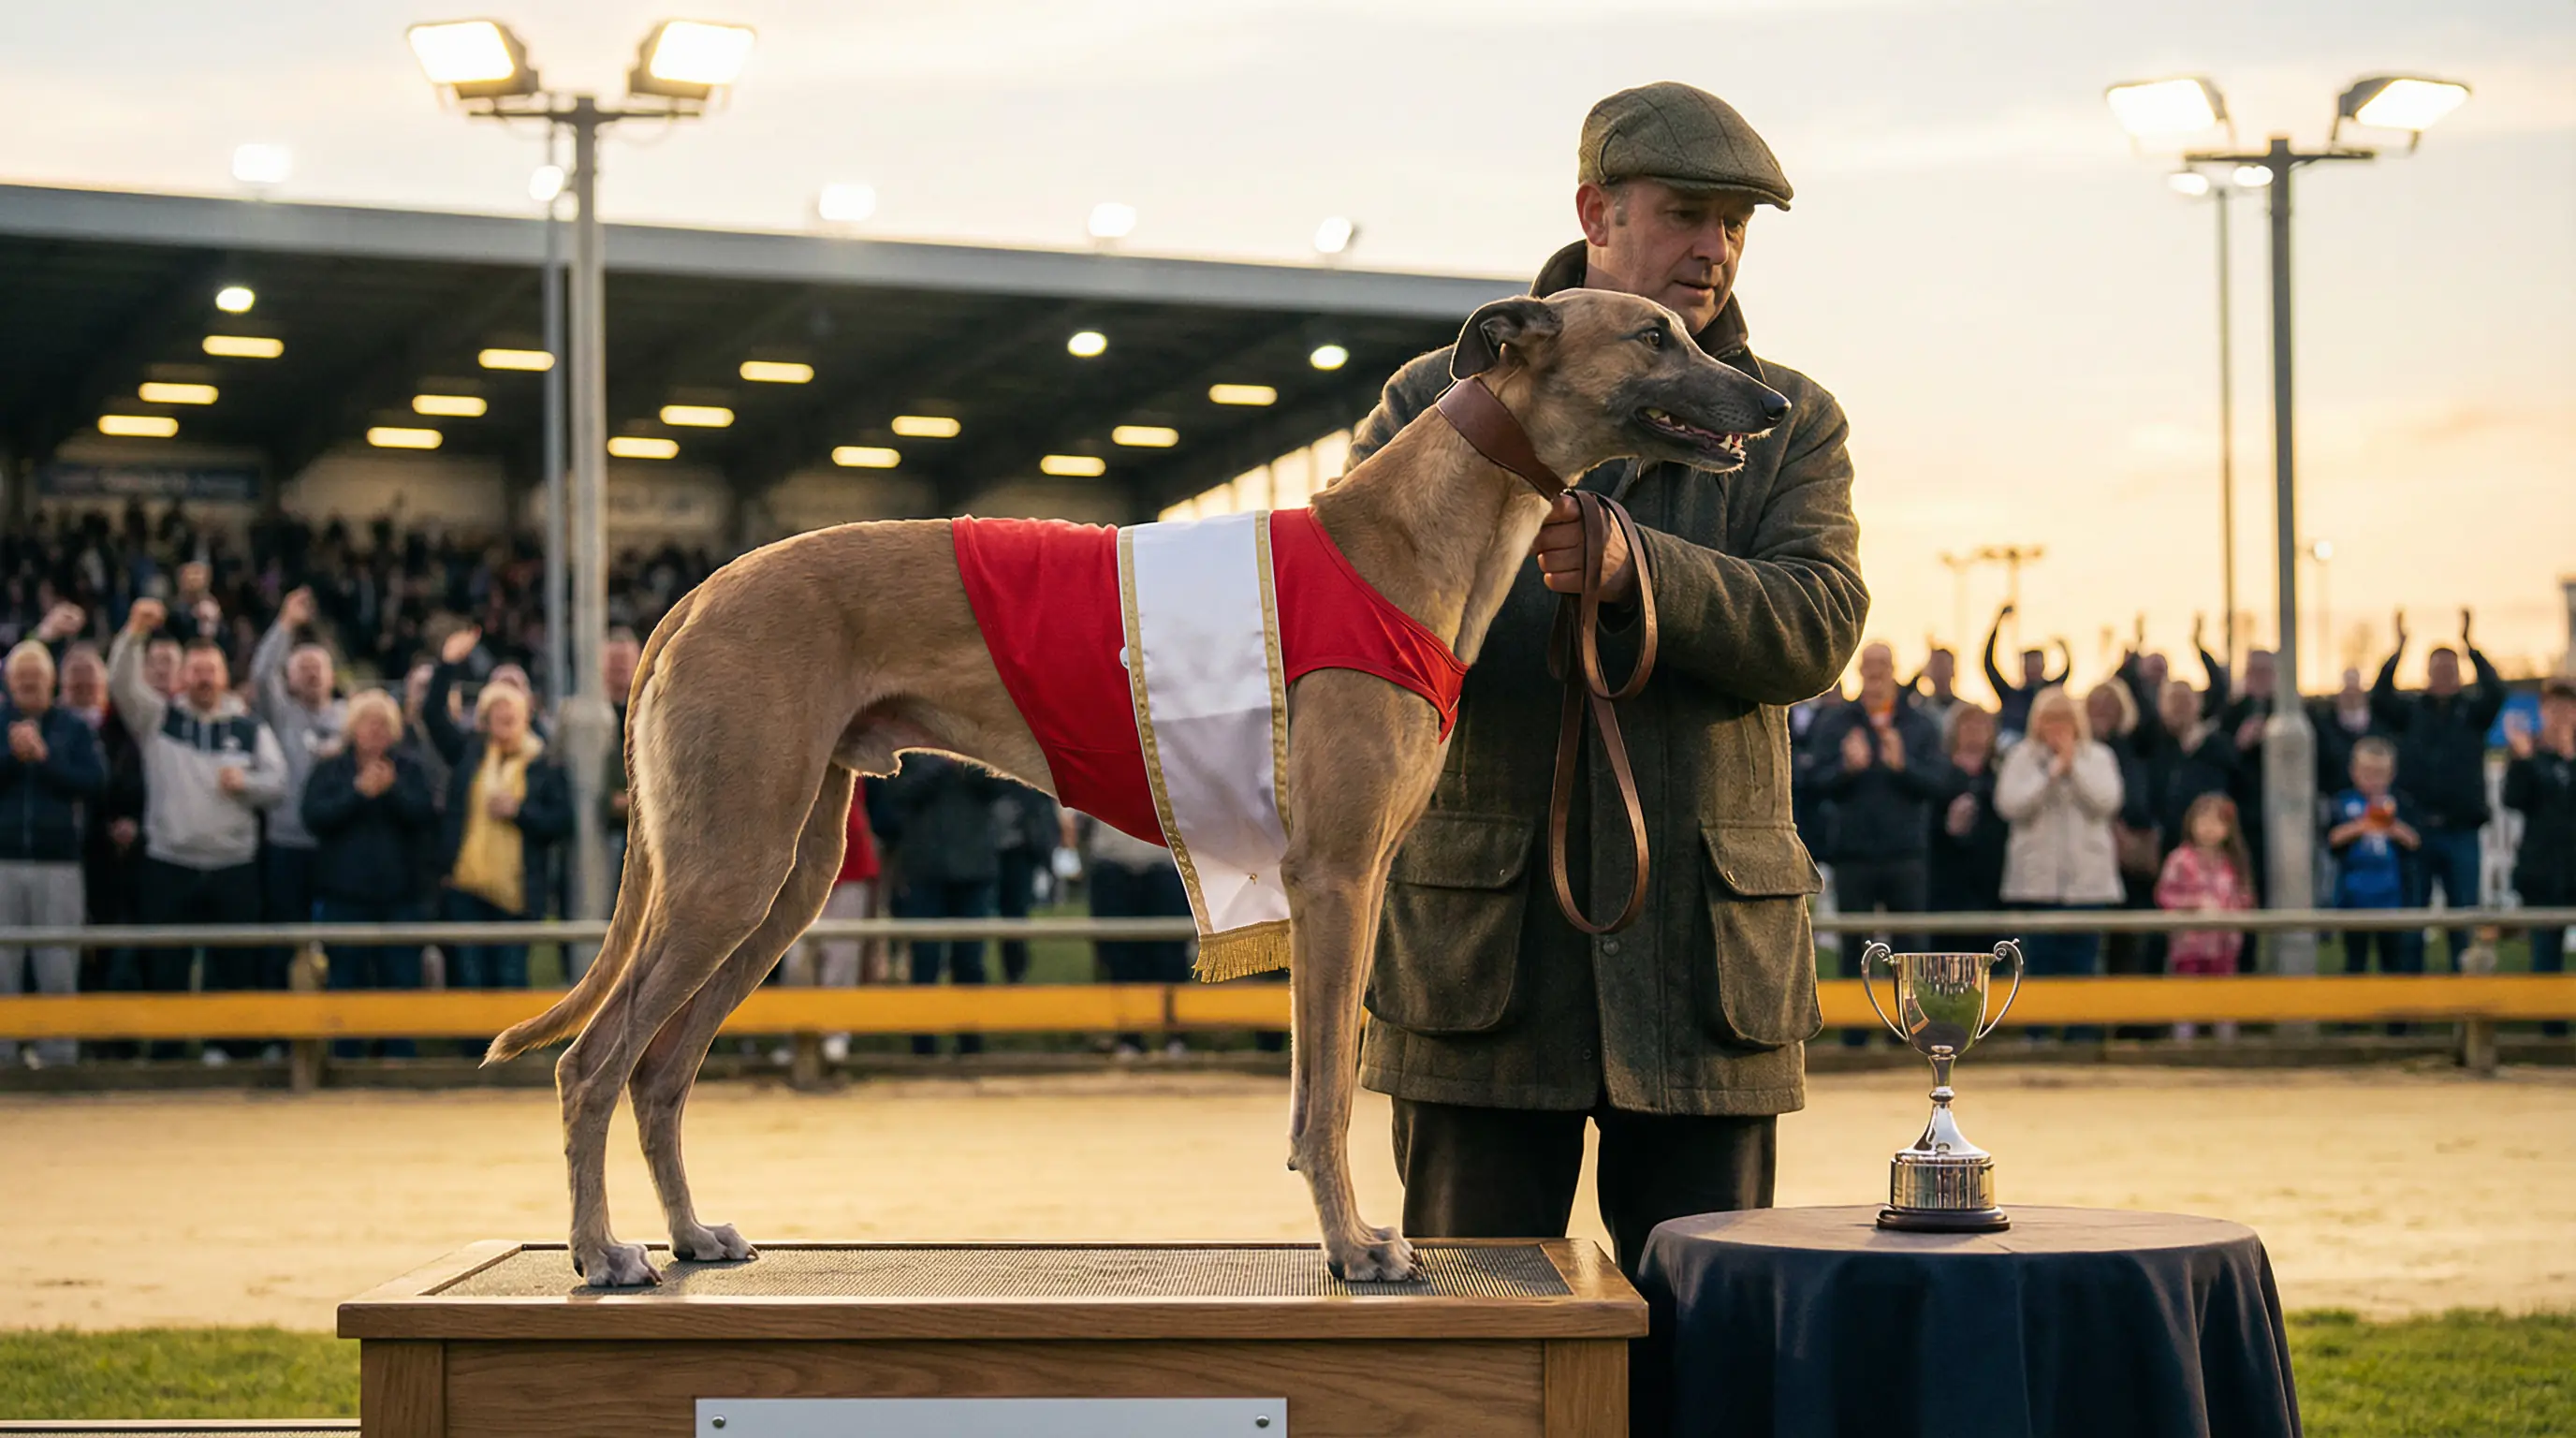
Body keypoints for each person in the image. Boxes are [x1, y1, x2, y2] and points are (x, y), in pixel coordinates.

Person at [1342, 81, 1866, 1276]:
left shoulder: (1790, 422)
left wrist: (1645, 569)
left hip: (1703, 973)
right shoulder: (1436, 401)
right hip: (1481, 966)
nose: (1713, 249)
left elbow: (1817, 627)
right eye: (1688, 212)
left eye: (1736, 225)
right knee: (1476, 1345)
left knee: (1713, 1346)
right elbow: (1343, 627)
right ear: (1595, 209)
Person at [109, 599, 286, 1062]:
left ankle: (232, 1049)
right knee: (166, 966)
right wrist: (133, 633)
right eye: (198, 670)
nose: (205, 677)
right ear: (185, 676)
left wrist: (246, 783)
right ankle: (168, 1052)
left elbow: (279, 783)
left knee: (236, 965)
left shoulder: (249, 727)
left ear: (225, 674)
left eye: (212, 669)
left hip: (234, 866)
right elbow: (120, 684)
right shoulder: (160, 719)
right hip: (170, 862)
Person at [425, 626, 572, 1019]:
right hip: (466, 888)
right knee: (470, 977)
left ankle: (509, 1059)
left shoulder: (543, 764)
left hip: (517, 893)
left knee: (510, 978)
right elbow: (432, 716)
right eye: (496, 713)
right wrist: (449, 664)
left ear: (526, 716)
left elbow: (561, 820)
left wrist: (519, 813)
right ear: (485, 719)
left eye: (512, 712)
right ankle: (473, 1059)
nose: (505, 718)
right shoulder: (469, 754)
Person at [1806, 641, 1945, 1005]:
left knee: (1910, 948)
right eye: (1869, 665)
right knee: (1856, 946)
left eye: (1883, 664)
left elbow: (1938, 784)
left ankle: (1908, 1030)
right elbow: (1814, 782)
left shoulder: (1919, 724)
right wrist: (1846, 769)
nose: (1876, 672)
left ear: (1894, 669)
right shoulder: (1837, 723)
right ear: (1859, 671)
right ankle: (1856, 1036)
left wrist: (1903, 767)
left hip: (1906, 854)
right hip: (1854, 854)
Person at [303, 690, 438, 1058]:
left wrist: (392, 790)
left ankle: (400, 1056)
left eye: (384, 723)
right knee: (345, 979)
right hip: (344, 897)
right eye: (368, 722)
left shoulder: (409, 769)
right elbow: (314, 817)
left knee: (401, 980)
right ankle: (344, 1055)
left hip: (400, 897)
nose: (376, 730)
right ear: (352, 728)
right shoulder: (331, 769)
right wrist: (358, 793)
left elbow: (425, 814)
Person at [2370, 609, 2505, 969]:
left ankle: (2464, 1006)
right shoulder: (2411, 713)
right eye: (2438, 670)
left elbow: (2497, 691)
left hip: (2462, 831)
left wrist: (2471, 647)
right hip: (2418, 832)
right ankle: (2411, 1010)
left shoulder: (2472, 714)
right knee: (2413, 922)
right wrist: (2399, 650)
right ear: (2427, 674)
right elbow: (2380, 697)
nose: (2444, 676)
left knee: (2464, 922)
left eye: (2450, 669)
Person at [1995, 685, 2124, 1036]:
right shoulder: (2021, 757)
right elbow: (2011, 805)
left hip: (2088, 888)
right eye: (2049, 719)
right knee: (2037, 968)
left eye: (2064, 719)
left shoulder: (2099, 757)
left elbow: (2106, 802)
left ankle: (2082, 1040)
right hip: (2035, 886)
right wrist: (2050, 773)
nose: (2057, 726)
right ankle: (2035, 1038)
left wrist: (2073, 769)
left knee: (2082, 968)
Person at [0, 641, 106, 1067]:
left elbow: (95, 782)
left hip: (59, 863)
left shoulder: (74, 728)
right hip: (2, 861)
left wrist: (44, 759)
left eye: (36, 676)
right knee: (1, 965)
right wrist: (12, 757)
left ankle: (59, 1056)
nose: (28, 682)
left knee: (58, 962)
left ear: (51, 681)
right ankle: (3, 1055)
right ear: (9, 682)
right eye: (21, 676)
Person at [875, 754, 1009, 1057]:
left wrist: (969, 764)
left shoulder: (977, 746)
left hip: (974, 869)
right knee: (925, 960)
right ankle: (923, 1045)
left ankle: (970, 1041)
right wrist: (942, 768)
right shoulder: (911, 752)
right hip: (925, 869)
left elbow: (998, 788)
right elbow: (897, 794)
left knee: (970, 961)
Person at [250, 586, 347, 993]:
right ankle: (280, 1026)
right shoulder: (280, 715)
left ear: (331, 675)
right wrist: (285, 625)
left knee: (338, 942)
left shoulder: (349, 718)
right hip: (286, 844)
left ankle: (336, 1024)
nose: (309, 672)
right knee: (283, 937)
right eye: (301, 665)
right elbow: (259, 675)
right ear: (289, 676)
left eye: (317, 666)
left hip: (335, 844)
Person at [1075, 809, 1193, 1057]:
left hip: (1165, 859)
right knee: (1119, 955)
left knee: (1170, 953)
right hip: (1111, 858)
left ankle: (1175, 1035)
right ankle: (1129, 1035)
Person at [2502, 679, 2575, 1036]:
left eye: (2568, 708)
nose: (2561, 715)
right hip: (2544, 870)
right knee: (2545, 953)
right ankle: (2552, 1030)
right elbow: (2514, 800)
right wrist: (2527, 761)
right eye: (2554, 708)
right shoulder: (2527, 754)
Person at [2155, 793, 2255, 1041]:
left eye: (2217, 822)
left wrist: (2229, 912)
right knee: (2187, 994)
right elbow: (2165, 895)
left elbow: (2245, 897)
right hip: (2189, 942)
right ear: (2191, 823)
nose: (2209, 829)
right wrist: (2194, 906)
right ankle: (2184, 1042)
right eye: (2204, 821)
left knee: (2224, 994)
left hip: (2225, 943)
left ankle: (2225, 1042)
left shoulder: (2233, 862)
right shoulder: (2179, 860)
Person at [793, 784, 882, 1064]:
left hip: (851, 864)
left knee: (842, 958)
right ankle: (798, 1038)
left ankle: (836, 1035)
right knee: (797, 961)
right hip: (801, 865)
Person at [2326, 736, 2421, 983]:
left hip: (2392, 897)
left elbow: (2415, 841)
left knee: (2393, 961)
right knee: (2355, 961)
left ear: (2391, 774)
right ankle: (2353, 1016)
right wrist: (2360, 826)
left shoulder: (2401, 802)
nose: (2373, 780)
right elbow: (2332, 838)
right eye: (2367, 772)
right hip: (2354, 897)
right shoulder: (2343, 802)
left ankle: (2396, 1018)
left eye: (2380, 773)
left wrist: (2392, 827)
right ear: (2353, 771)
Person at [1926, 706, 2009, 948]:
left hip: (1991, 887)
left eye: (1982, 726)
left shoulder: (2001, 776)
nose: (1974, 732)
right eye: (1967, 725)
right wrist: (1948, 827)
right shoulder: (1937, 775)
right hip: (1946, 885)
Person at [1982, 603, 2070, 740]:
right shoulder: (2010, 695)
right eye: (2029, 662)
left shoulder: (2049, 693)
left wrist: (2065, 649)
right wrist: (1998, 623)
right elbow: (1989, 665)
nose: (2033, 667)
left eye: (2036, 661)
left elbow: (2066, 672)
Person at [1908, 645, 1963, 731]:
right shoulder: (1921, 709)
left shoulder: (1963, 709)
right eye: (1937, 666)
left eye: (1945, 666)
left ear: (1953, 670)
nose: (1941, 672)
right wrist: (1918, 676)